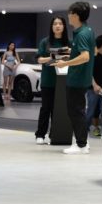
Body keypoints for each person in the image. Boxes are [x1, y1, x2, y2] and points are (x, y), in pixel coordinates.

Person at [52, 1, 95, 155]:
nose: (68, 16)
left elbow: (85, 56)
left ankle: (81, 145)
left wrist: (65, 63)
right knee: (79, 111)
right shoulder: (87, 30)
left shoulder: (82, 34)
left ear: (76, 15)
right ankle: (83, 142)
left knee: (75, 111)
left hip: (77, 79)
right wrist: (71, 53)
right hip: (81, 78)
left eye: (70, 13)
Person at [34, 16, 70, 145]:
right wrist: (52, 57)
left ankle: (54, 134)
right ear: (52, 26)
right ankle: (40, 134)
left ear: (64, 26)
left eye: (60, 23)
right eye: (55, 24)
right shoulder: (45, 42)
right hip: (48, 80)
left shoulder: (69, 43)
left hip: (63, 80)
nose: (57, 26)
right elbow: (39, 59)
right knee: (46, 108)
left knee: (59, 110)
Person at [86, 34, 102, 138]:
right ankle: (83, 129)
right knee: (91, 111)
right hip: (93, 89)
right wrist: (95, 85)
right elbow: (89, 73)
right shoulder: (93, 57)